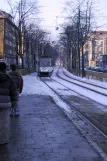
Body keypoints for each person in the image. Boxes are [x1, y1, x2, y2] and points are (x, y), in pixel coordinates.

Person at [0, 61, 18, 144]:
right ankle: (3, 139)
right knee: (5, 122)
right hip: (5, 103)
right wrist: (14, 102)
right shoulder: (8, 79)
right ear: (4, 69)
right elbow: (13, 92)